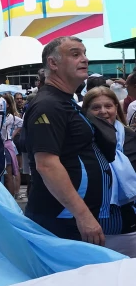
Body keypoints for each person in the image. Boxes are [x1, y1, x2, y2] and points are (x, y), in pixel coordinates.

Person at [24, 36, 115, 246]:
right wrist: (83, 215)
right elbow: (47, 165)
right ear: (53, 64)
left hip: (71, 220)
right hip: (61, 222)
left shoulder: (64, 102)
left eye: (84, 54)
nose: (84, 59)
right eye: (75, 54)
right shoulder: (48, 105)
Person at [82, 86, 136, 256]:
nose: (103, 112)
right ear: (86, 111)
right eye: (96, 107)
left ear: (116, 108)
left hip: (129, 225)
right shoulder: (79, 140)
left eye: (108, 106)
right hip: (90, 226)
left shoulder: (130, 136)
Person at [0, 93, 24, 198]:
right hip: (0, 145)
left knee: (9, 174)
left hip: (7, 146)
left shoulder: (11, 117)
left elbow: (23, 123)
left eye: (3, 102)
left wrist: (12, 135)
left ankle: (12, 197)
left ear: (8, 104)